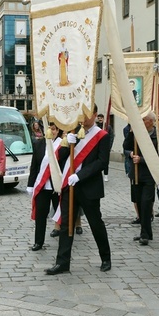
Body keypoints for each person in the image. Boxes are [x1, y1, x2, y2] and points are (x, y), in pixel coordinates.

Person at [45, 104, 112, 275]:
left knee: (95, 223)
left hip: (89, 186)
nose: (84, 118)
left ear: (95, 115)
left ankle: (105, 258)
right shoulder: (73, 132)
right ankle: (62, 262)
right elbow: (61, 157)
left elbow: (101, 162)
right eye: (82, 114)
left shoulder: (102, 136)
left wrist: (80, 175)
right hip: (71, 186)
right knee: (66, 223)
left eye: (88, 114)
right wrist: (67, 144)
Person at [124, 112, 159, 246]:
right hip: (135, 173)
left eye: (145, 119)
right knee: (138, 201)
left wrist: (141, 159)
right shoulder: (135, 133)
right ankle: (147, 232)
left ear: (152, 122)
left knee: (146, 202)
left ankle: (144, 234)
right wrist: (130, 153)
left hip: (149, 174)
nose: (142, 121)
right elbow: (126, 147)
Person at [27, 122, 63, 251]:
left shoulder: (63, 144)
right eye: (49, 128)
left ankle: (64, 241)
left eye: (54, 129)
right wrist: (30, 185)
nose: (51, 131)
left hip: (57, 187)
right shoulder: (39, 144)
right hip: (42, 186)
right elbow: (34, 166)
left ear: (58, 130)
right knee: (41, 215)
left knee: (61, 214)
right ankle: (38, 242)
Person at [96, 113, 114, 181]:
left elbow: (111, 137)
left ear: (103, 119)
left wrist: (109, 146)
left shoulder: (108, 127)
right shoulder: (96, 127)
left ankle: (106, 175)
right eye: (99, 118)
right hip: (97, 147)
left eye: (101, 118)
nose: (100, 119)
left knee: (106, 162)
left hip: (106, 148)